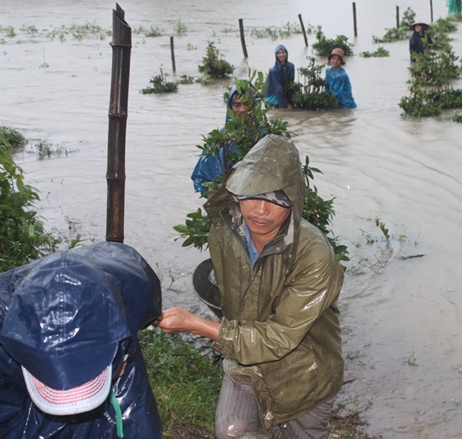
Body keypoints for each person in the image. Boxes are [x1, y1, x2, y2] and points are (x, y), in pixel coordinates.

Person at [156, 134, 344, 439]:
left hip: (305, 375)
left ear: (293, 203)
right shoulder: (223, 232)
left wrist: (194, 324)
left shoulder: (314, 254)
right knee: (232, 431)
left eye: (276, 200)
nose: (260, 210)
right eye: (252, 194)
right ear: (237, 192)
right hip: (246, 362)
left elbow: (280, 337)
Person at [0, 241, 162, 439]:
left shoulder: (133, 287)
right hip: (13, 368)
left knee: (134, 426)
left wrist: (120, 361)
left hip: (108, 347)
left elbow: (146, 310)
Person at [191, 85, 254, 196]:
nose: (242, 109)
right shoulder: (220, 137)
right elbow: (207, 177)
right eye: (237, 105)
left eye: (247, 104)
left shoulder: (265, 135)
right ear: (230, 107)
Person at [264, 44, 295, 109]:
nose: (281, 55)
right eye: (279, 53)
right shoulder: (273, 70)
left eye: (283, 52)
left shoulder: (291, 66)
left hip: (285, 94)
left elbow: (291, 84)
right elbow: (278, 89)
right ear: (276, 55)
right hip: (273, 98)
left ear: (286, 53)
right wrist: (286, 104)